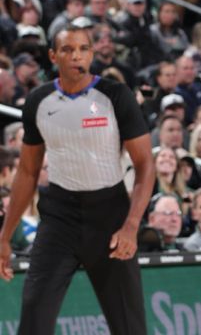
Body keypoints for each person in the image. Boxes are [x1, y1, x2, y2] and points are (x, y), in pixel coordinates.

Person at [0, 24, 154, 334]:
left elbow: (145, 166)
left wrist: (131, 226)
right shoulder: (38, 101)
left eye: (83, 48)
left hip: (111, 215)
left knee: (129, 325)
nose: (76, 56)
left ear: (92, 53)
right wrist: (4, 236)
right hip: (60, 217)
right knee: (34, 312)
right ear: (53, 56)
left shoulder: (116, 95)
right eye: (68, 50)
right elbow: (28, 173)